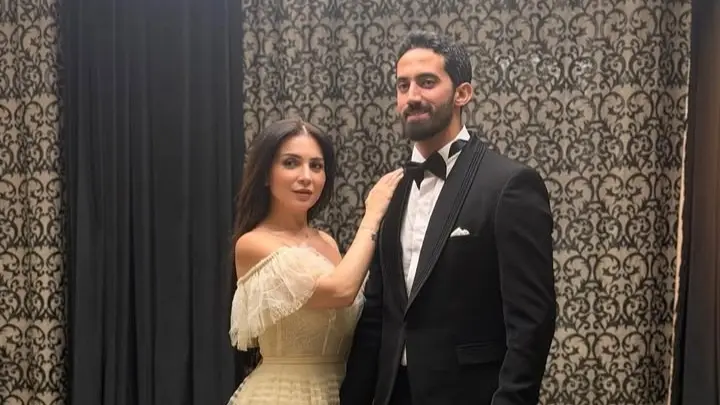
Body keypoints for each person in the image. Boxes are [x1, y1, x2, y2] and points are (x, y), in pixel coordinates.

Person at [340, 30, 556, 405]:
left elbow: (532, 321)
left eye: (427, 82)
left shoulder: (509, 185)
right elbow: (377, 312)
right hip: (392, 394)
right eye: (403, 85)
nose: (412, 96)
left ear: (462, 93)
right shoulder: (391, 190)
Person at [226, 118, 403, 405]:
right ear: (266, 175)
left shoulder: (327, 242)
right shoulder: (253, 243)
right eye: (291, 163)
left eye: (316, 166)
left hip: (340, 390)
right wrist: (372, 215)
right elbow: (341, 290)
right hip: (283, 395)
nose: (306, 177)